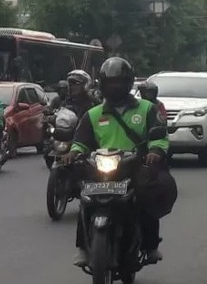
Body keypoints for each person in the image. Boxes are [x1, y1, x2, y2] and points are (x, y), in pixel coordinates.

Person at [67, 57, 177, 267]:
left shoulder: (147, 109)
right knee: (86, 198)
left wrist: (155, 151)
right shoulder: (93, 114)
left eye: (118, 82)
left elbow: (159, 137)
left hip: (135, 165)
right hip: (102, 166)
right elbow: (80, 141)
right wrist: (73, 154)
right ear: (103, 84)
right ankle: (82, 247)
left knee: (146, 197)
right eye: (110, 82)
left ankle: (150, 245)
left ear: (127, 83)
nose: (114, 87)